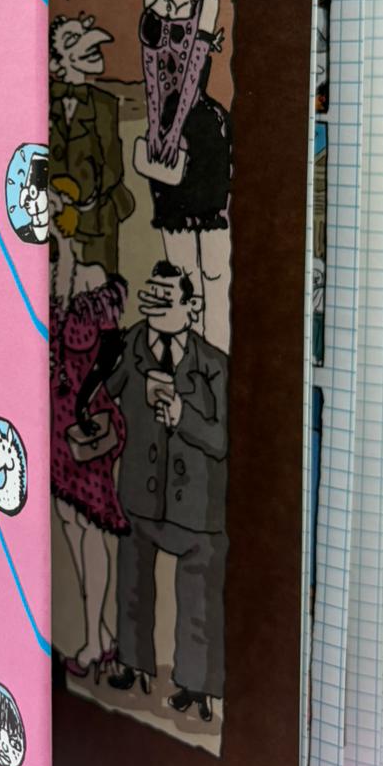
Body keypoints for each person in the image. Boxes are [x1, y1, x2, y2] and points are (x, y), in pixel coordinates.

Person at [96, 262, 229, 722]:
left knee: (198, 597)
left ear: (191, 307)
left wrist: (181, 415)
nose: (155, 305)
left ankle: (197, 687)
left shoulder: (213, 365)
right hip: (139, 494)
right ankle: (134, 667)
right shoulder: (132, 345)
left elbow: (222, 439)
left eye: (166, 297)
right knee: (132, 585)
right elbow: (106, 395)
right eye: (151, 295)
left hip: (196, 508)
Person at [135, 0, 233, 350]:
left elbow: (193, 71)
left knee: (213, 266)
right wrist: (157, 131)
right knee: (178, 266)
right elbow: (151, 66)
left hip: (198, 130)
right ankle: (185, 360)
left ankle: (215, 356)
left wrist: (171, 135)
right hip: (163, 129)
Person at [49, 179, 128, 679]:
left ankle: (96, 639)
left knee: (91, 524)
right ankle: (98, 633)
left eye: (56, 213)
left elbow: (112, 350)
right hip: (56, 420)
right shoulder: (46, 277)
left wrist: (84, 398)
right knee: (70, 522)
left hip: (88, 417)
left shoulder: (92, 278)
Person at [48, 15, 135, 274]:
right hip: (51, 209)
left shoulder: (104, 104)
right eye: (71, 39)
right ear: (56, 62)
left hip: (97, 212)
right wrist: (58, 200)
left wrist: (79, 202)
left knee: (99, 282)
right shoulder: (42, 99)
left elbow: (112, 166)